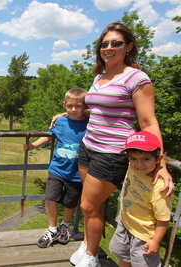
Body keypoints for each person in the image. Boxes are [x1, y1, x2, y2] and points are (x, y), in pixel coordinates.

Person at [47, 23, 174, 267]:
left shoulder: (137, 78)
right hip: (88, 148)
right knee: (91, 205)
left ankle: (92, 256)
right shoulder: (99, 77)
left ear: (129, 47)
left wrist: (161, 164)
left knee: (88, 204)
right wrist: (64, 115)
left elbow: (148, 123)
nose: (109, 47)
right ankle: (88, 245)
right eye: (105, 43)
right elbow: (93, 110)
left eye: (116, 43)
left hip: (113, 152)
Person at [24, 87, 89, 248]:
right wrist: (33, 146)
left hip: (76, 173)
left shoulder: (90, 123)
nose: (74, 109)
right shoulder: (59, 122)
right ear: (64, 105)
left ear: (85, 107)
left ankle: (65, 227)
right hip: (57, 169)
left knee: (70, 202)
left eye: (78, 106)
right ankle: (52, 229)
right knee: (51, 198)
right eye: (70, 106)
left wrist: (77, 113)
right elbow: (47, 137)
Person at [109, 131, 171, 267]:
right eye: (133, 159)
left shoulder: (159, 187)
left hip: (144, 235)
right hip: (126, 223)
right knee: (124, 257)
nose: (139, 164)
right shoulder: (132, 168)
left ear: (157, 159)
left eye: (146, 159)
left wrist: (156, 241)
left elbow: (163, 219)